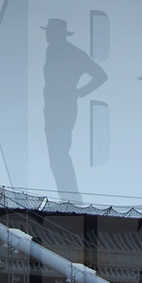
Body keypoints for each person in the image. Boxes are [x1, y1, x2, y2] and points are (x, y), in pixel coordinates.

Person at [42, 18, 107, 200]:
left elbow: (101, 75)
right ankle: (67, 196)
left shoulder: (73, 54)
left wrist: (80, 91)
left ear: (59, 34)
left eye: (50, 32)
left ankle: (70, 198)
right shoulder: (51, 51)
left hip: (63, 107)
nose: (48, 36)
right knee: (56, 155)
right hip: (52, 106)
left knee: (59, 153)